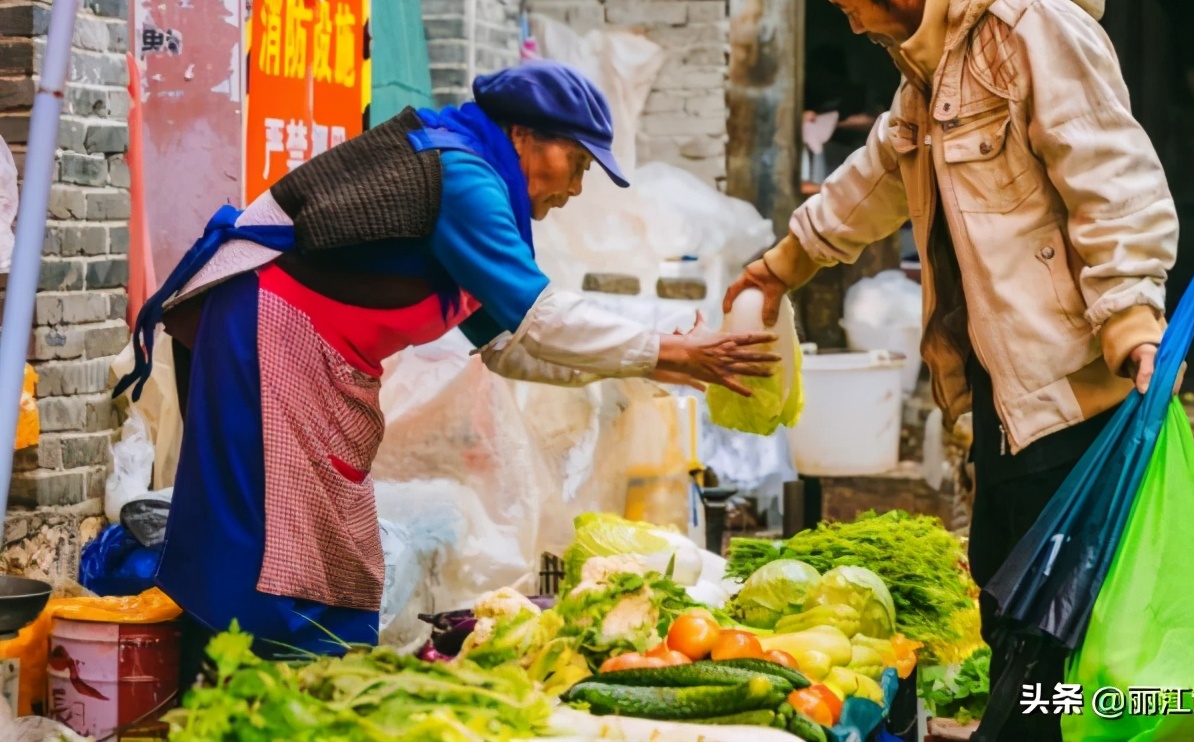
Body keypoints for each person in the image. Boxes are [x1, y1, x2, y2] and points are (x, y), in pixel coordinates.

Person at [114, 60, 779, 681]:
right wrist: (665, 350)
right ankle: (250, 684)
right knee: (274, 533)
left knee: (314, 534)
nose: (577, 189)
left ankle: (296, 679)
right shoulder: (462, 176)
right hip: (267, 327)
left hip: (308, 344)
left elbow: (511, 347)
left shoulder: (479, 182)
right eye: (575, 164)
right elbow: (543, 317)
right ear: (522, 136)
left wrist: (655, 364)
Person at [723, 0, 1179, 739]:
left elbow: (1113, 177)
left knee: (1045, 626)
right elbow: (878, 175)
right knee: (1010, 603)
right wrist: (781, 265)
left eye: (847, 4)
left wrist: (1128, 317)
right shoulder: (930, 66)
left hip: (1079, 391)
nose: (848, 23)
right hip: (1006, 398)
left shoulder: (1027, 28)